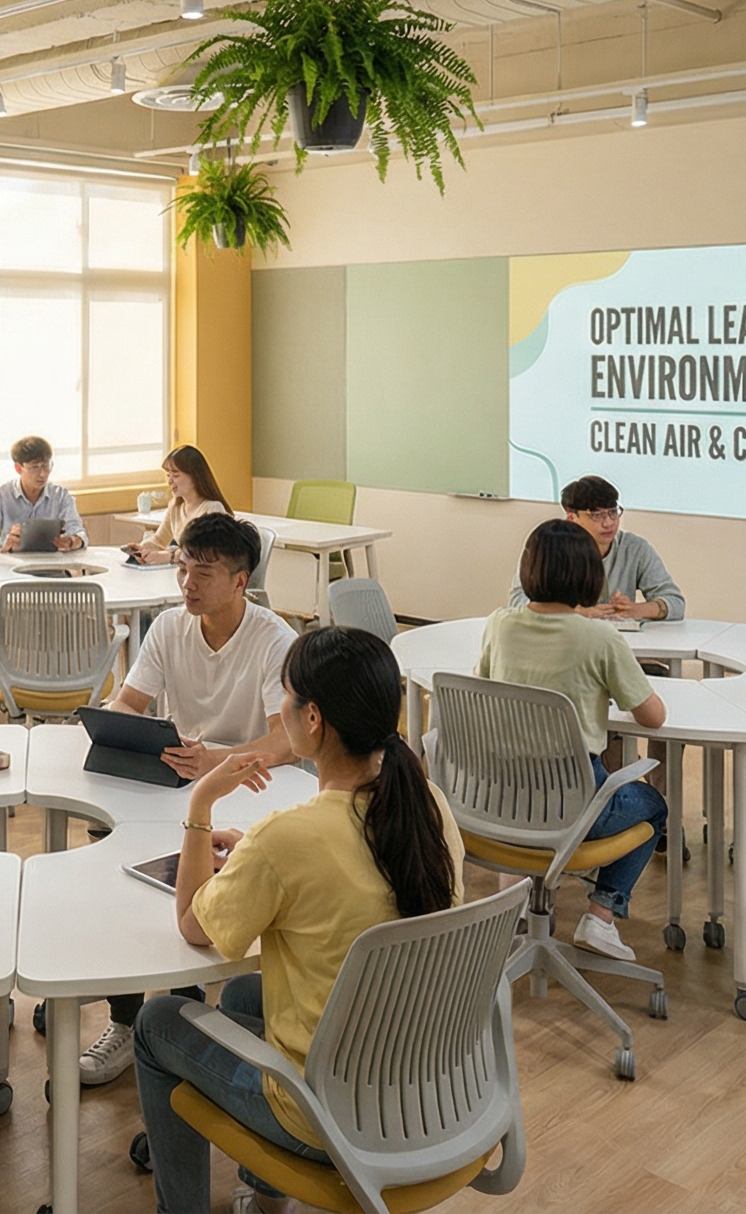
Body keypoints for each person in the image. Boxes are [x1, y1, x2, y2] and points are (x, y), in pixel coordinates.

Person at [132, 627, 464, 1214]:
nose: (278, 710)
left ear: (313, 719)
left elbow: (190, 923)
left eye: (285, 697)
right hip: (420, 1088)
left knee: (158, 1020)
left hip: (325, 1115)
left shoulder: (286, 838)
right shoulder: (427, 805)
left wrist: (200, 805)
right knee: (242, 994)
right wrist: (260, 859)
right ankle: (266, 1199)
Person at [78, 510, 297, 1087]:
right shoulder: (170, 626)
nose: (187, 584)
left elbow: (286, 741)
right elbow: (129, 701)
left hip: (245, 794)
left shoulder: (274, 639)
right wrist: (120, 725)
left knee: (183, 893)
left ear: (240, 581)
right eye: (182, 568)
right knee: (113, 857)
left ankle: (180, 1016)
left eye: (203, 572)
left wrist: (216, 761)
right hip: (178, 781)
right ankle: (127, 1020)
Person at [479, 518, 669, 962]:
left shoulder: (499, 625)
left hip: (497, 799)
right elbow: (653, 717)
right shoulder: (599, 637)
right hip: (570, 806)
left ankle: (521, 904)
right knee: (651, 804)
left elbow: (482, 689)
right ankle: (601, 916)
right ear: (590, 575)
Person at [507, 475, 683, 624]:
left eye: (613, 512)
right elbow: (517, 601)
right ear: (571, 517)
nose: (609, 523)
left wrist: (636, 610)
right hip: (564, 640)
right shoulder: (550, 546)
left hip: (620, 643)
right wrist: (573, 613)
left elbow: (675, 601)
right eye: (597, 515)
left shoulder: (634, 548)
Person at [0, 435, 85, 553]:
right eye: (35, 468)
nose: (43, 474)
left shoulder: (61, 496)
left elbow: (78, 532)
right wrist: (2, 543)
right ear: (18, 468)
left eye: (46, 466)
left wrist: (71, 541)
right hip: (8, 567)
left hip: (51, 567)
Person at [130, 445, 232, 564]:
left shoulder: (212, 509)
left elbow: (206, 552)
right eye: (168, 475)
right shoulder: (175, 506)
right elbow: (159, 539)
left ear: (195, 476)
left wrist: (169, 556)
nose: (169, 481)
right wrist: (142, 548)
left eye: (176, 475)